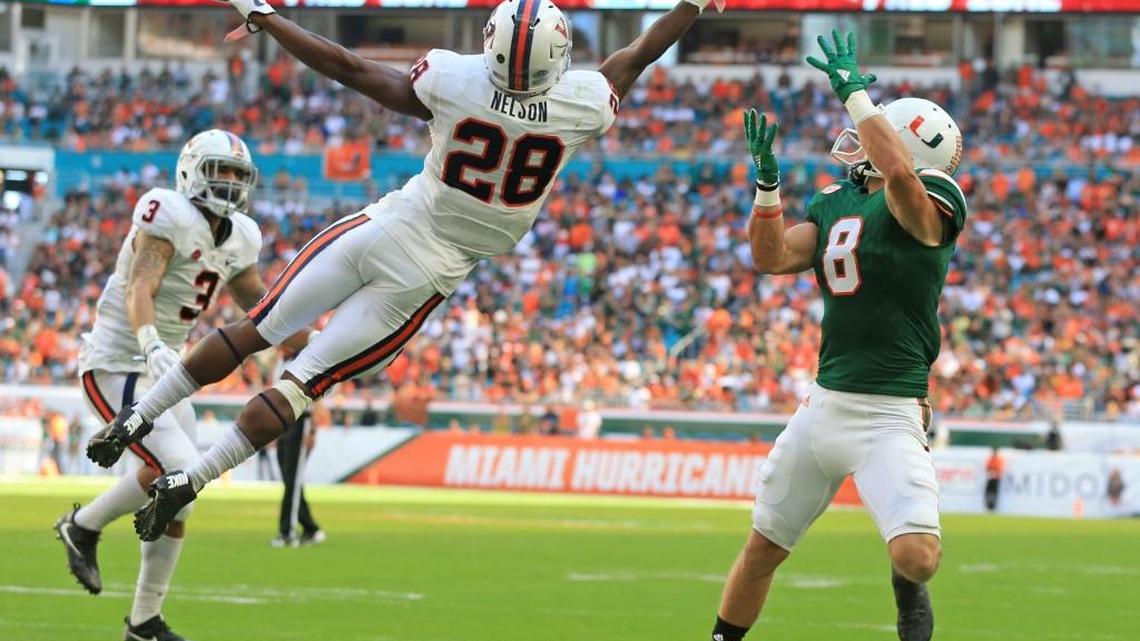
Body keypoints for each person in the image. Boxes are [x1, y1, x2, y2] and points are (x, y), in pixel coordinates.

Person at [88, 0, 719, 546]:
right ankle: (190, 480)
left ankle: (136, 415)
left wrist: (266, 16)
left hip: (389, 227)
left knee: (261, 326)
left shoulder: (455, 79)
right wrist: (690, 6)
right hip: (432, 273)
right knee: (302, 383)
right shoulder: (581, 104)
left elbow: (351, 68)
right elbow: (635, 56)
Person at [709, 32, 967, 641]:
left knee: (917, 557)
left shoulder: (934, 197)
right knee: (761, 549)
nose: (855, 143)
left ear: (898, 144)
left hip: (889, 411)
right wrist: (766, 187)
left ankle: (906, 591)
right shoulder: (836, 200)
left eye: (874, 130)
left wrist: (856, 95)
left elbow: (903, 180)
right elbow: (771, 257)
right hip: (823, 406)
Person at [54, 129, 308, 641]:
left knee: (179, 484)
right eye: (221, 170)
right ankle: (139, 615)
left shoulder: (240, 236)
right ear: (192, 170)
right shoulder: (166, 211)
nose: (231, 182)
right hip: (119, 361)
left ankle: (91, 538)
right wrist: (149, 342)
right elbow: (140, 284)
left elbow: (257, 304)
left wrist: (316, 341)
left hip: (165, 372)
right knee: (178, 473)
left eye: (238, 174)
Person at [272, 409, 324, 547]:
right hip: (286, 419)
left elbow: (319, 398)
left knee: (292, 481)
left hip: (301, 421)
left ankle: (288, 532)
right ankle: (310, 528)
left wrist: (312, 431)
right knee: (290, 481)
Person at [984, 447, 1005, 512]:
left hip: (996, 478)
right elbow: (987, 467)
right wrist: (990, 472)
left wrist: (995, 473)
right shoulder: (990, 459)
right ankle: (988, 506)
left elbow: (1000, 468)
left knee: (994, 493)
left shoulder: (999, 459)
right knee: (988, 492)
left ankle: (993, 507)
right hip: (990, 477)